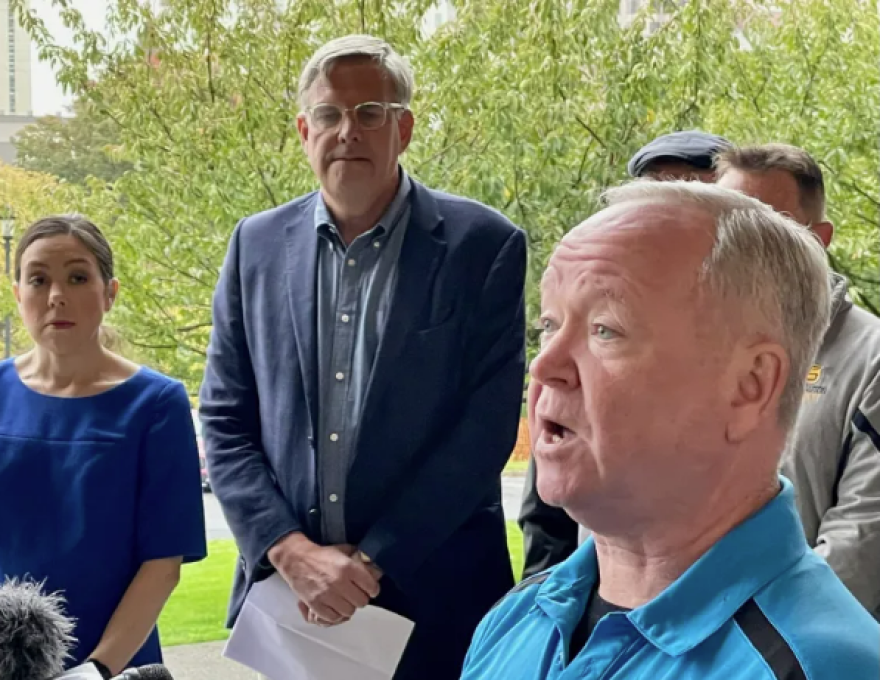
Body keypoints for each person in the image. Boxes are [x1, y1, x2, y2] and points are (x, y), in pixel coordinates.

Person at [199, 34, 526, 680]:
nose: (347, 131)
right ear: (303, 130)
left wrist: (367, 566)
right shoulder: (254, 246)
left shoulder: (483, 247)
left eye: (369, 113)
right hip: (293, 609)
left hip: (437, 604)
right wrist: (290, 552)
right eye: (328, 114)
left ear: (402, 128)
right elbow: (224, 420)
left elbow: (483, 434)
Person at [461, 182, 880, 679]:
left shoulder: (821, 667)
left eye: (605, 329)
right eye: (549, 326)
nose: (544, 364)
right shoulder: (516, 619)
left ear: (749, 386)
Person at [519, 129, 733, 578]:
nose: (547, 365)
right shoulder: (585, 301)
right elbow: (547, 515)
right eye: (651, 198)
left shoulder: (744, 338)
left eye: (687, 195)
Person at [0, 215, 207, 677]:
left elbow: (163, 564)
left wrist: (96, 670)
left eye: (77, 277)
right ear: (18, 294)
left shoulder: (156, 403)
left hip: (115, 663)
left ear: (109, 292)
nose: (56, 296)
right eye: (38, 279)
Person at [716, 143, 880, 618]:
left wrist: (755, 640)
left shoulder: (869, 359)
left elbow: (860, 544)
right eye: (727, 226)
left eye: (769, 230)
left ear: (820, 238)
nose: (742, 250)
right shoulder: (686, 351)